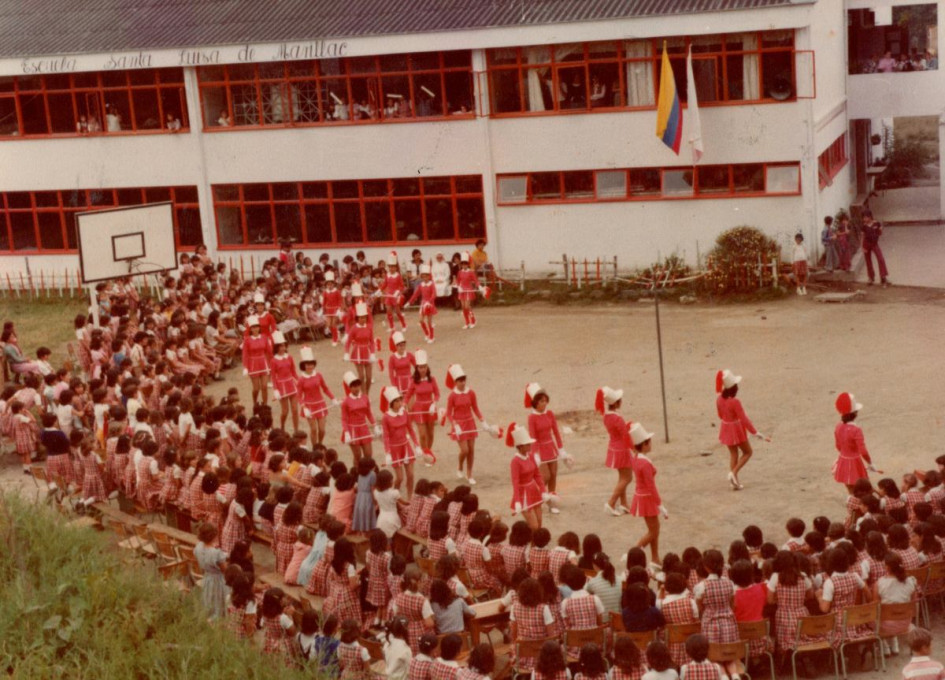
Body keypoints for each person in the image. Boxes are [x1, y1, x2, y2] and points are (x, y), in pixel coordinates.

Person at [716, 370, 768, 490]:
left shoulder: (719, 399)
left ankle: (734, 481)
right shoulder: (735, 402)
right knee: (748, 452)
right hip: (735, 429)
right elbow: (744, 419)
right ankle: (733, 473)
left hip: (725, 428)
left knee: (733, 454)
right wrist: (755, 432)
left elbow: (719, 414)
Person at [694, 549, 740, 680]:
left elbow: (700, 606)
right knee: (729, 654)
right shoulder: (729, 583)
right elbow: (732, 603)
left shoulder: (702, 586)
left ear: (706, 567)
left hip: (711, 623)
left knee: (716, 656)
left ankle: (724, 677)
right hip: (729, 622)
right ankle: (735, 675)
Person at [628, 423, 669, 564]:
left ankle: (655, 558)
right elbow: (651, 486)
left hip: (642, 497)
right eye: (648, 441)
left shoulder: (637, 458)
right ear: (644, 445)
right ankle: (634, 553)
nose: (651, 443)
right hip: (647, 498)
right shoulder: (644, 463)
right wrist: (660, 505)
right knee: (654, 531)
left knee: (654, 529)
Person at [445, 364, 490, 485]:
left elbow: (475, 408)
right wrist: (455, 425)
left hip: (470, 423)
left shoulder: (471, 393)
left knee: (471, 450)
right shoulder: (452, 396)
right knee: (464, 450)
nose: (463, 383)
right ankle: (460, 466)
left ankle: (469, 473)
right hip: (459, 425)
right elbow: (449, 413)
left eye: (464, 380)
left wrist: (482, 420)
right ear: (455, 382)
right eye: (460, 381)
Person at [526, 383, 567, 511]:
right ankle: (533, 498)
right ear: (535, 403)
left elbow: (556, 432)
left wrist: (561, 449)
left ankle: (551, 504)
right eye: (542, 401)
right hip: (540, 450)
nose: (545, 404)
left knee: (554, 475)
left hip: (551, 448)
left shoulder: (550, 414)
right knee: (546, 476)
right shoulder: (532, 417)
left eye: (545, 401)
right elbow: (533, 437)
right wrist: (536, 454)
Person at [596, 385, 633, 516]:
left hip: (614, 448)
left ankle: (624, 504)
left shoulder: (607, 416)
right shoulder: (617, 418)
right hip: (621, 449)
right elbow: (625, 436)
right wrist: (634, 450)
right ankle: (611, 503)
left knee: (622, 477)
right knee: (627, 478)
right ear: (616, 403)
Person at [833, 392, 878, 494]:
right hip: (855, 462)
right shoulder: (856, 430)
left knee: (851, 491)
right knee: (865, 489)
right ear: (855, 413)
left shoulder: (838, 426)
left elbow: (838, 446)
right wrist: (870, 463)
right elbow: (863, 451)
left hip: (843, 460)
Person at [506, 422, 547, 530]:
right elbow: (515, 481)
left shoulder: (531, 456)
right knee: (534, 526)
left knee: (539, 522)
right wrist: (518, 501)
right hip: (523, 493)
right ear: (520, 446)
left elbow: (537, 475)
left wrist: (543, 490)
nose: (530, 446)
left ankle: (535, 545)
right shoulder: (515, 461)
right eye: (527, 444)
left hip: (533, 490)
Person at [404, 350, 439, 465]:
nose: (422, 369)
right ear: (417, 368)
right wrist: (404, 404)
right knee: (422, 435)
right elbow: (408, 394)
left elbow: (437, 394)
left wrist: (434, 403)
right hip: (418, 408)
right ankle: (426, 455)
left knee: (431, 434)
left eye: (424, 367)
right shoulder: (414, 381)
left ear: (427, 367)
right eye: (420, 367)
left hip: (430, 408)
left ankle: (429, 452)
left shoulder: (432, 380)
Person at [341, 371, 377, 464]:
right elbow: (344, 419)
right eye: (354, 386)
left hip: (364, 428)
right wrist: (346, 432)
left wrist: (375, 425)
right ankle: (356, 475)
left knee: (368, 455)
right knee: (357, 456)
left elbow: (369, 413)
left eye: (358, 386)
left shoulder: (365, 398)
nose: (356, 388)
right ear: (350, 388)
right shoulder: (346, 402)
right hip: (353, 430)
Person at [194, 522, 228, 619]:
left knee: (209, 600)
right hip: (218, 580)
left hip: (207, 576)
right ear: (214, 536)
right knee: (219, 602)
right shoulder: (216, 553)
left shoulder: (198, 547)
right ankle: (218, 620)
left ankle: (210, 618)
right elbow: (224, 570)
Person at [269, 331, 300, 432]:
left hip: (291, 384)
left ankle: (296, 430)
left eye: (284, 346)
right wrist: (276, 390)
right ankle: (282, 426)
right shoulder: (273, 360)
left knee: (295, 410)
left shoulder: (289, 357)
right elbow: (273, 377)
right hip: (281, 386)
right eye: (280, 346)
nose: (283, 348)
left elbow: (294, 372)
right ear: (276, 347)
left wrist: (300, 382)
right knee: (285, 411)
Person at [344, 302, 377, 394]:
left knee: (369, 377)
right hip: (357, 352)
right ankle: (364, 395)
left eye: (365, 317)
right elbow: (348, 342)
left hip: (367, 351)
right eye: (361, 318)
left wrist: (373, 353)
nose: (363, 319)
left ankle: (367, 392)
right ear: (357, 318)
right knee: (361, 376)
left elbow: (372, 341)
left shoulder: (369, 327)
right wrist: (346, 353)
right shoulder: (354, 328)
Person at [241, 315, 272, 406]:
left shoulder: (264, 337)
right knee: (256, 388)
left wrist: (272, 363)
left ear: (259, 327)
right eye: (253, 327)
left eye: (257, 327)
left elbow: (269, 352)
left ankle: (265, 405)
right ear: (250, 329)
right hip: (253, 364)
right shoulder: (247, 340)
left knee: (264, 386)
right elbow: (245, 354)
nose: (255, 329)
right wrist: (245, 367)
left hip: (263, 363)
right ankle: (255, 403)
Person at [407, 265, 438, 344]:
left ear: (429, 276)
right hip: (423, 304)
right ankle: (427, 333)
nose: (425, 278)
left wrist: (429, 301)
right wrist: (409, 302)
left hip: (430, 305)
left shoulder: (432, 284)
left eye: (426, 276)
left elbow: (434, 294)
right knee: (421, 321)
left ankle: (432, 336)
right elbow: (416, 294)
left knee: (429, 322)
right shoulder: (421, 285)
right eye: (423, 277)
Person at [861, 211, 890, 286]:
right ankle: (871, 278)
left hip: (874, 244)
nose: (864, 219)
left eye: (866, 217)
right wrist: (862, 247)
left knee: (881, 259)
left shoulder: (876, 224)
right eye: (863, 217)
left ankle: (883, 277)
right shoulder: (864, 226)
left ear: (870, 216)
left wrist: (880, 230)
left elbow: (879, 233)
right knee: (868, 261)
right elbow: (862, 237)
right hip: (866, 244)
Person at [455, 252, 482, 329]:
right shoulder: (459, 272)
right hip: (462, 290)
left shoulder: (471, 272)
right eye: (463, 264)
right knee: (463, 307)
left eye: (465, 264)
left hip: (468, 290)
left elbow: (475, 280)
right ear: (461, 265)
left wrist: (479, 286)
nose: (464, 265)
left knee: (467, 306)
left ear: (468, 264)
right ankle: (467, 322)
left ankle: (473, 320)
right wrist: (458, 287)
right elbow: (458, 281)